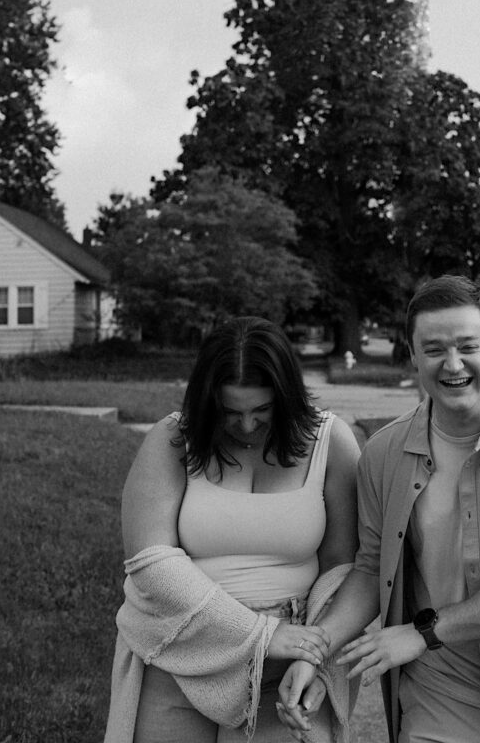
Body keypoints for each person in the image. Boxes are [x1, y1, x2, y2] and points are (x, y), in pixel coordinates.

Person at [278, 274, 480, 743]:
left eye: (467, 345)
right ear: (412, 356)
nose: (452, 364)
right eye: (433, 349)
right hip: (436, 694)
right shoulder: (384, 453)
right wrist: (317, 652)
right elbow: (372, 568)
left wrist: (423, 633)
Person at [103, 316, 360, 743]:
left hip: (288, 656)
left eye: (262, 410)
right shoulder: (173, 439)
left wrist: (319, 655)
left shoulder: (330, 441)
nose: (245, 426)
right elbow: (151, 563)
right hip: (183, 647)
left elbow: (343, 567)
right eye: (230, 412)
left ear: (286, 396)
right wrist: (260, 635)